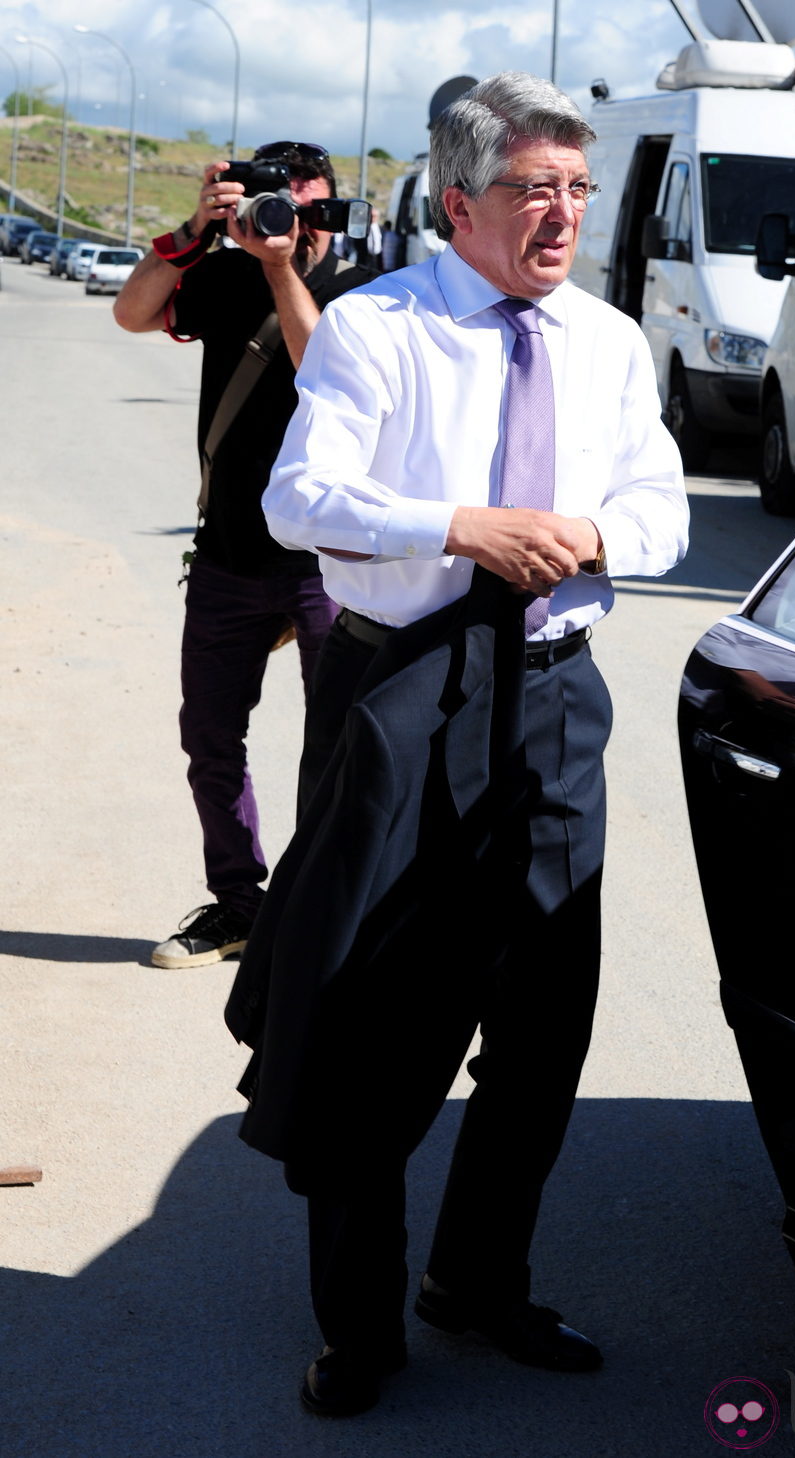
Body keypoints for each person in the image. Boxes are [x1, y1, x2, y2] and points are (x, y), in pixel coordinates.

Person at [224, 73, 689, 1418]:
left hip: (554, 693)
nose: (561, 215)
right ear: (457, 201)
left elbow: (657, 509)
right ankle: (359, 1329)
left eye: (576, 190)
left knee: (544, 1025)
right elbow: (300, 497)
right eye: (531, 189)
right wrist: (462, 525)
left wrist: (589, 534)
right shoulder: (380, 329)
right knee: (375, 1023)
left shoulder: (607, 340)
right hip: (412, 690)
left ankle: (477, 1279)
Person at [113, 142, 372, 970]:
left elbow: (320, 364)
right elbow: (131, 312)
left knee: (336, 743)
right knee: (211, 739)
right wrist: (196, 230)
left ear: (329, 209)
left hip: (327, 565)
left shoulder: (363, 295)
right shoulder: (223, 276)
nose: (289, 222)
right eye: (274, 204)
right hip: (227, 556)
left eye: (307, 207)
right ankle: (237, 905)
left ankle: (317, 910)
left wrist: (281, 266)